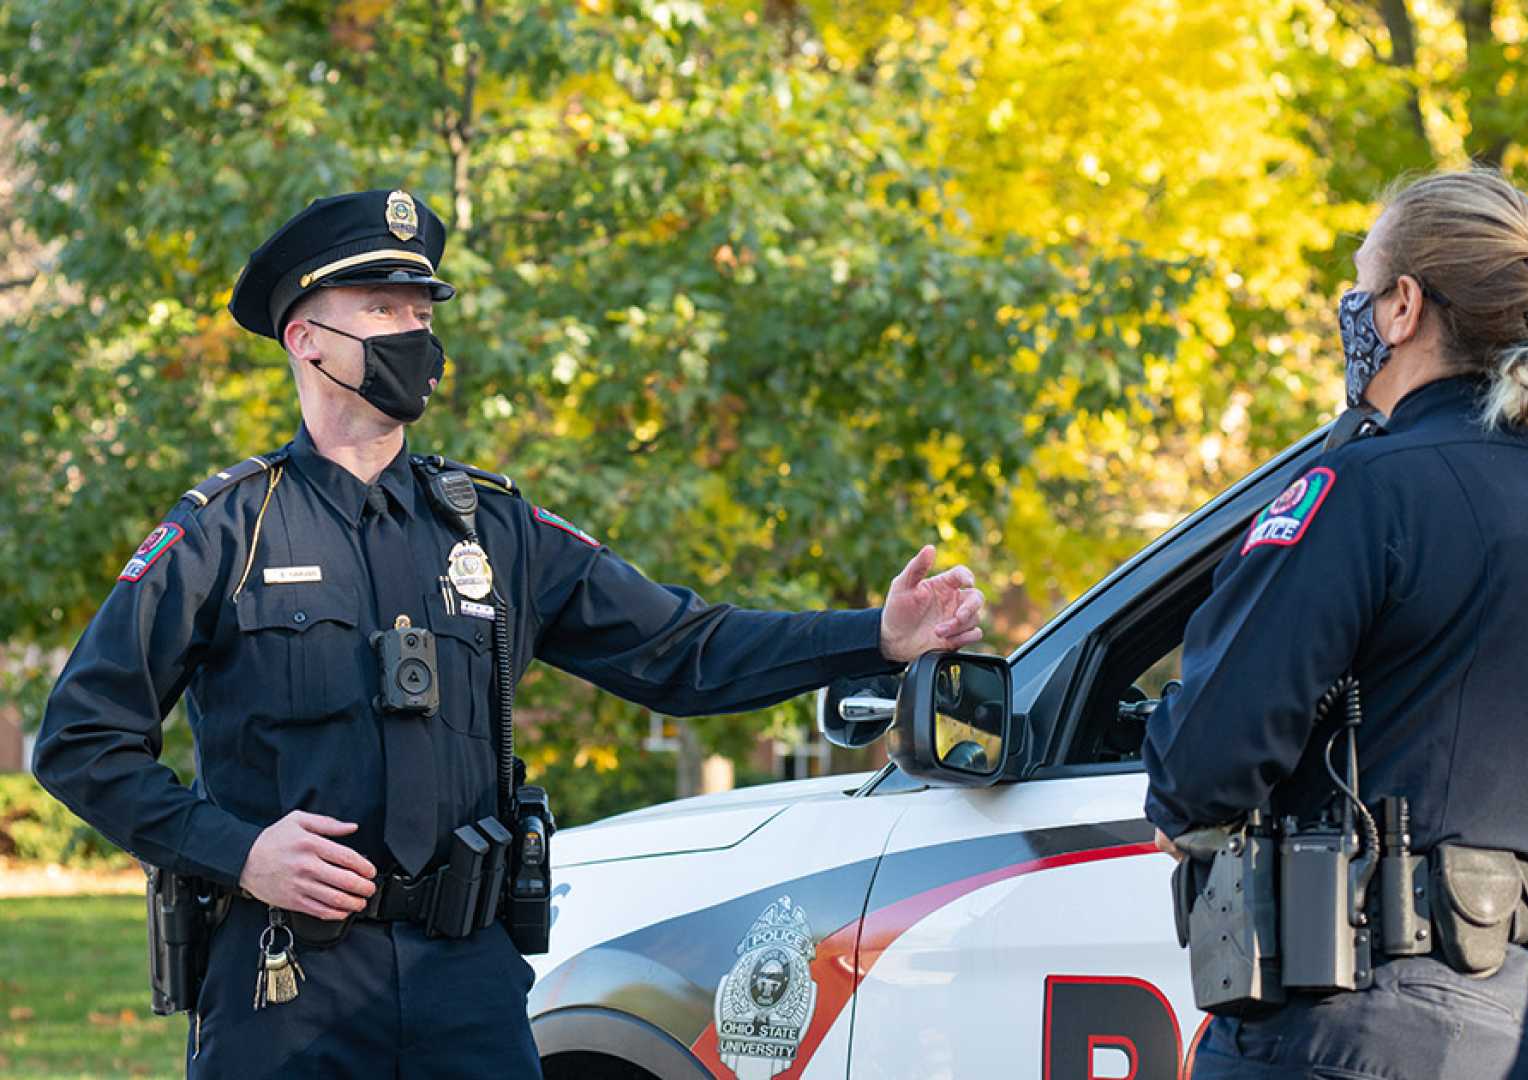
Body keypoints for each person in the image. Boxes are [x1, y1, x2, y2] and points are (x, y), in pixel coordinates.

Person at [31, 190, 986, 1078]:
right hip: (285, 987)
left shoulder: (491, 526)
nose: (416, 333)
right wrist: (236, 851)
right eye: (384, 309)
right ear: (305, 337)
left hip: (468, 983)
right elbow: (81, 740)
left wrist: (881, 637)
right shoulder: (226, 530)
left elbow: (683, 651)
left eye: (423, 312)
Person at [1142, 168, 1528, 1079]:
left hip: (1353, 1028)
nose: (1353, 314)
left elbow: (1205, 763)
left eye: (1363, 289)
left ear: (1403, 306)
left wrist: (1179, 787)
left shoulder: (1360, 491)